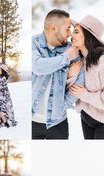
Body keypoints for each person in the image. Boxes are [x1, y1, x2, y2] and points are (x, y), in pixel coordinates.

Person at [32, 9, 85, 139]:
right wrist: (66, 58)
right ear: (54, 28)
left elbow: (79, 81)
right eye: (67, 29)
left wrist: (61, 107)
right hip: (32, 121)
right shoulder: (34, 43)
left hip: (58, 122)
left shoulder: (71, 49)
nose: (69, 34)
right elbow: (38, 66)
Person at [70, 15, 104, 139]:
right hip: (85, 117)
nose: (72, 36)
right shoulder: (78, 58)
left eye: (76, 32)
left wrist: (84, 95)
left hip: (103, 123)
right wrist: (70, 75)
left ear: (88, 36)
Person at [0, 63, 17, 128]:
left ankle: (5, 122)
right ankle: (3, 121)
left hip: (2, 96)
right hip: (1, 95)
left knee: (0, 109)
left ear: (3, 70)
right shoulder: (1, 77)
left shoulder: (2, 78)